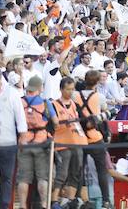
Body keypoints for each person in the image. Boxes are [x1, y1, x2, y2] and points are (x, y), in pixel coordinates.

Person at [18, 76, 56, 209]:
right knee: (43, 177)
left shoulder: (20, 102)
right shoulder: (45, 102)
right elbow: (55, 122)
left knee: (23, 178)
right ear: (40, 88)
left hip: (24, 141)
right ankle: (44, 205)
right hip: (42, 142)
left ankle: (22, 206)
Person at [53, 77, 88, 209]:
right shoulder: (54, 104)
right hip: (62, 143)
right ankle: (54, 200)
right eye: (68, 89)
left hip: (77, 142)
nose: (70, 92)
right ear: (61, 89)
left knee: (76, 171)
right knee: (62, 173)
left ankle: (71, 199)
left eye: (72, 89)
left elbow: (83, 121)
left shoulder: (75, 104)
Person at [79, 70, 112, 209]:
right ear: (97, 82)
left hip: (79, 137)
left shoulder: (76, 95)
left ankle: (82, 201)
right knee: (101, 170)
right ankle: (106, 201)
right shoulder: (100, 97)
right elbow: (107, 113)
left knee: (79, 171)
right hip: (95, 136)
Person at [0, 68, 26, 209]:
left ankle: (3, 206)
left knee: (7, 178)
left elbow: (20, 116)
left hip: (8, 143)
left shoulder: (12, 93)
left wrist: (22, 135)